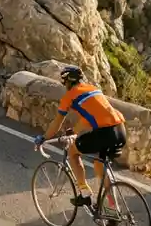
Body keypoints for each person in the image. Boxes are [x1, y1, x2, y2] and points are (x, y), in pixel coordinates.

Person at [33, 65, 127, 212]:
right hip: (120, 130)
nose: (64, 85)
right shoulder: (92, 89)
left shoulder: (70, 96)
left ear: (68, 82)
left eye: (64, 82)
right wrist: (75, 131)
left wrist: (43, 138)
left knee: (72, 151)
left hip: (106, 133)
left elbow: (57, 123)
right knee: (99, 164)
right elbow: (89, 117)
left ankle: (84, 192)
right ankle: (114, 209)